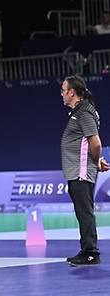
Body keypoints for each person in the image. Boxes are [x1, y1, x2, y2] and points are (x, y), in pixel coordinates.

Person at [60, 75, 109, 266]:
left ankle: (90, 253)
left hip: (81, 171)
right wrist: (97, 161)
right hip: (77, 170)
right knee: (82, 212)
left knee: (84, 212)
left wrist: (97, 161)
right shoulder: (79, 112)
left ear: (72, 92)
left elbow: (95, 142)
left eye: (64, 90)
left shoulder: (84, 112)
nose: (62, 94)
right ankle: (86, 250)